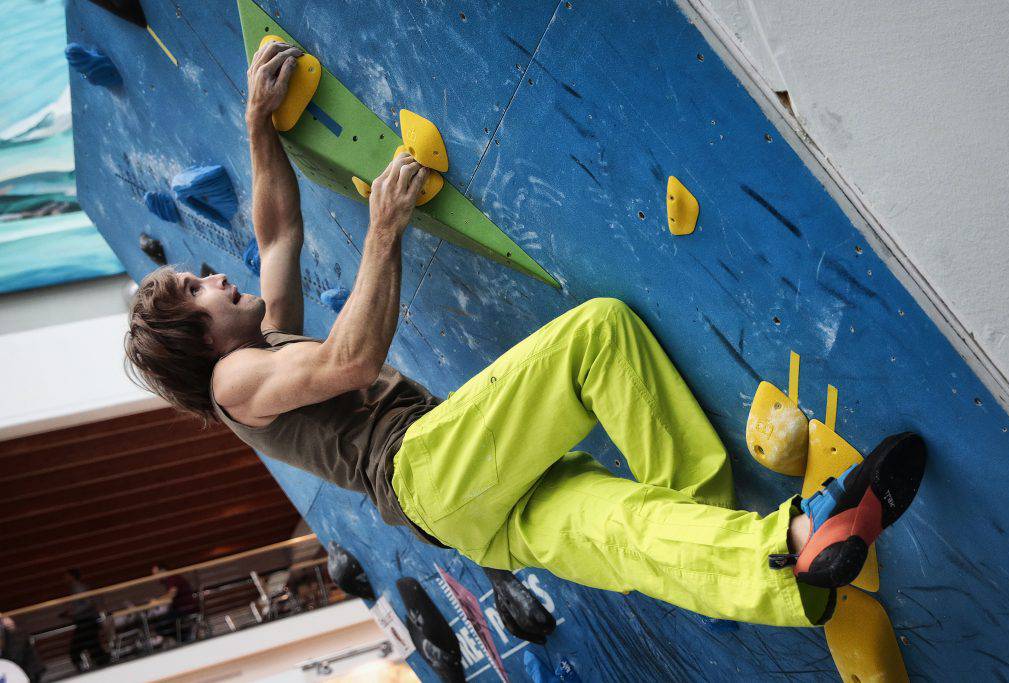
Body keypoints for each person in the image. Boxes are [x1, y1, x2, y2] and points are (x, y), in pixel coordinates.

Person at [124, 40, 927, 628]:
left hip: (467, 512)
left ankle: (787, 560)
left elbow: (277, 234)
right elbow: (353, 358)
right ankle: (727, 521)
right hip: (425, 467)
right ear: (201, 343)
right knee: (596, 339)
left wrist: (260, 125)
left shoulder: (261, 352)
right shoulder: (236, 384)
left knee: (627, 531)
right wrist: (384, 228)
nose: (215, 278)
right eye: (198, 291)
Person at [61, 569, 109, 671]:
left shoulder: (78, 587)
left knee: (78, 647)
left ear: (72, 576)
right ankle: (103, 663)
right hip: (86, 621)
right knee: (93, 646)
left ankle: (99, 663)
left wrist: (73, 613)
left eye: (66, 576)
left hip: (87, 621)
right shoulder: (76, 588)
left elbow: (88, 603)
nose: (64, 579)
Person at [150, 563, 199, 643]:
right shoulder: (171, 579)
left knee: (160, 624)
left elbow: (172, 594)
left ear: (162, 571)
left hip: (186, 609)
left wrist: (156, 601)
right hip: (184, 609)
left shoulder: (172, 578)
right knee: (162, 622)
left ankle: (185, 637)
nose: (155, 577)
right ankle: (185, 637)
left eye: (155, 574)